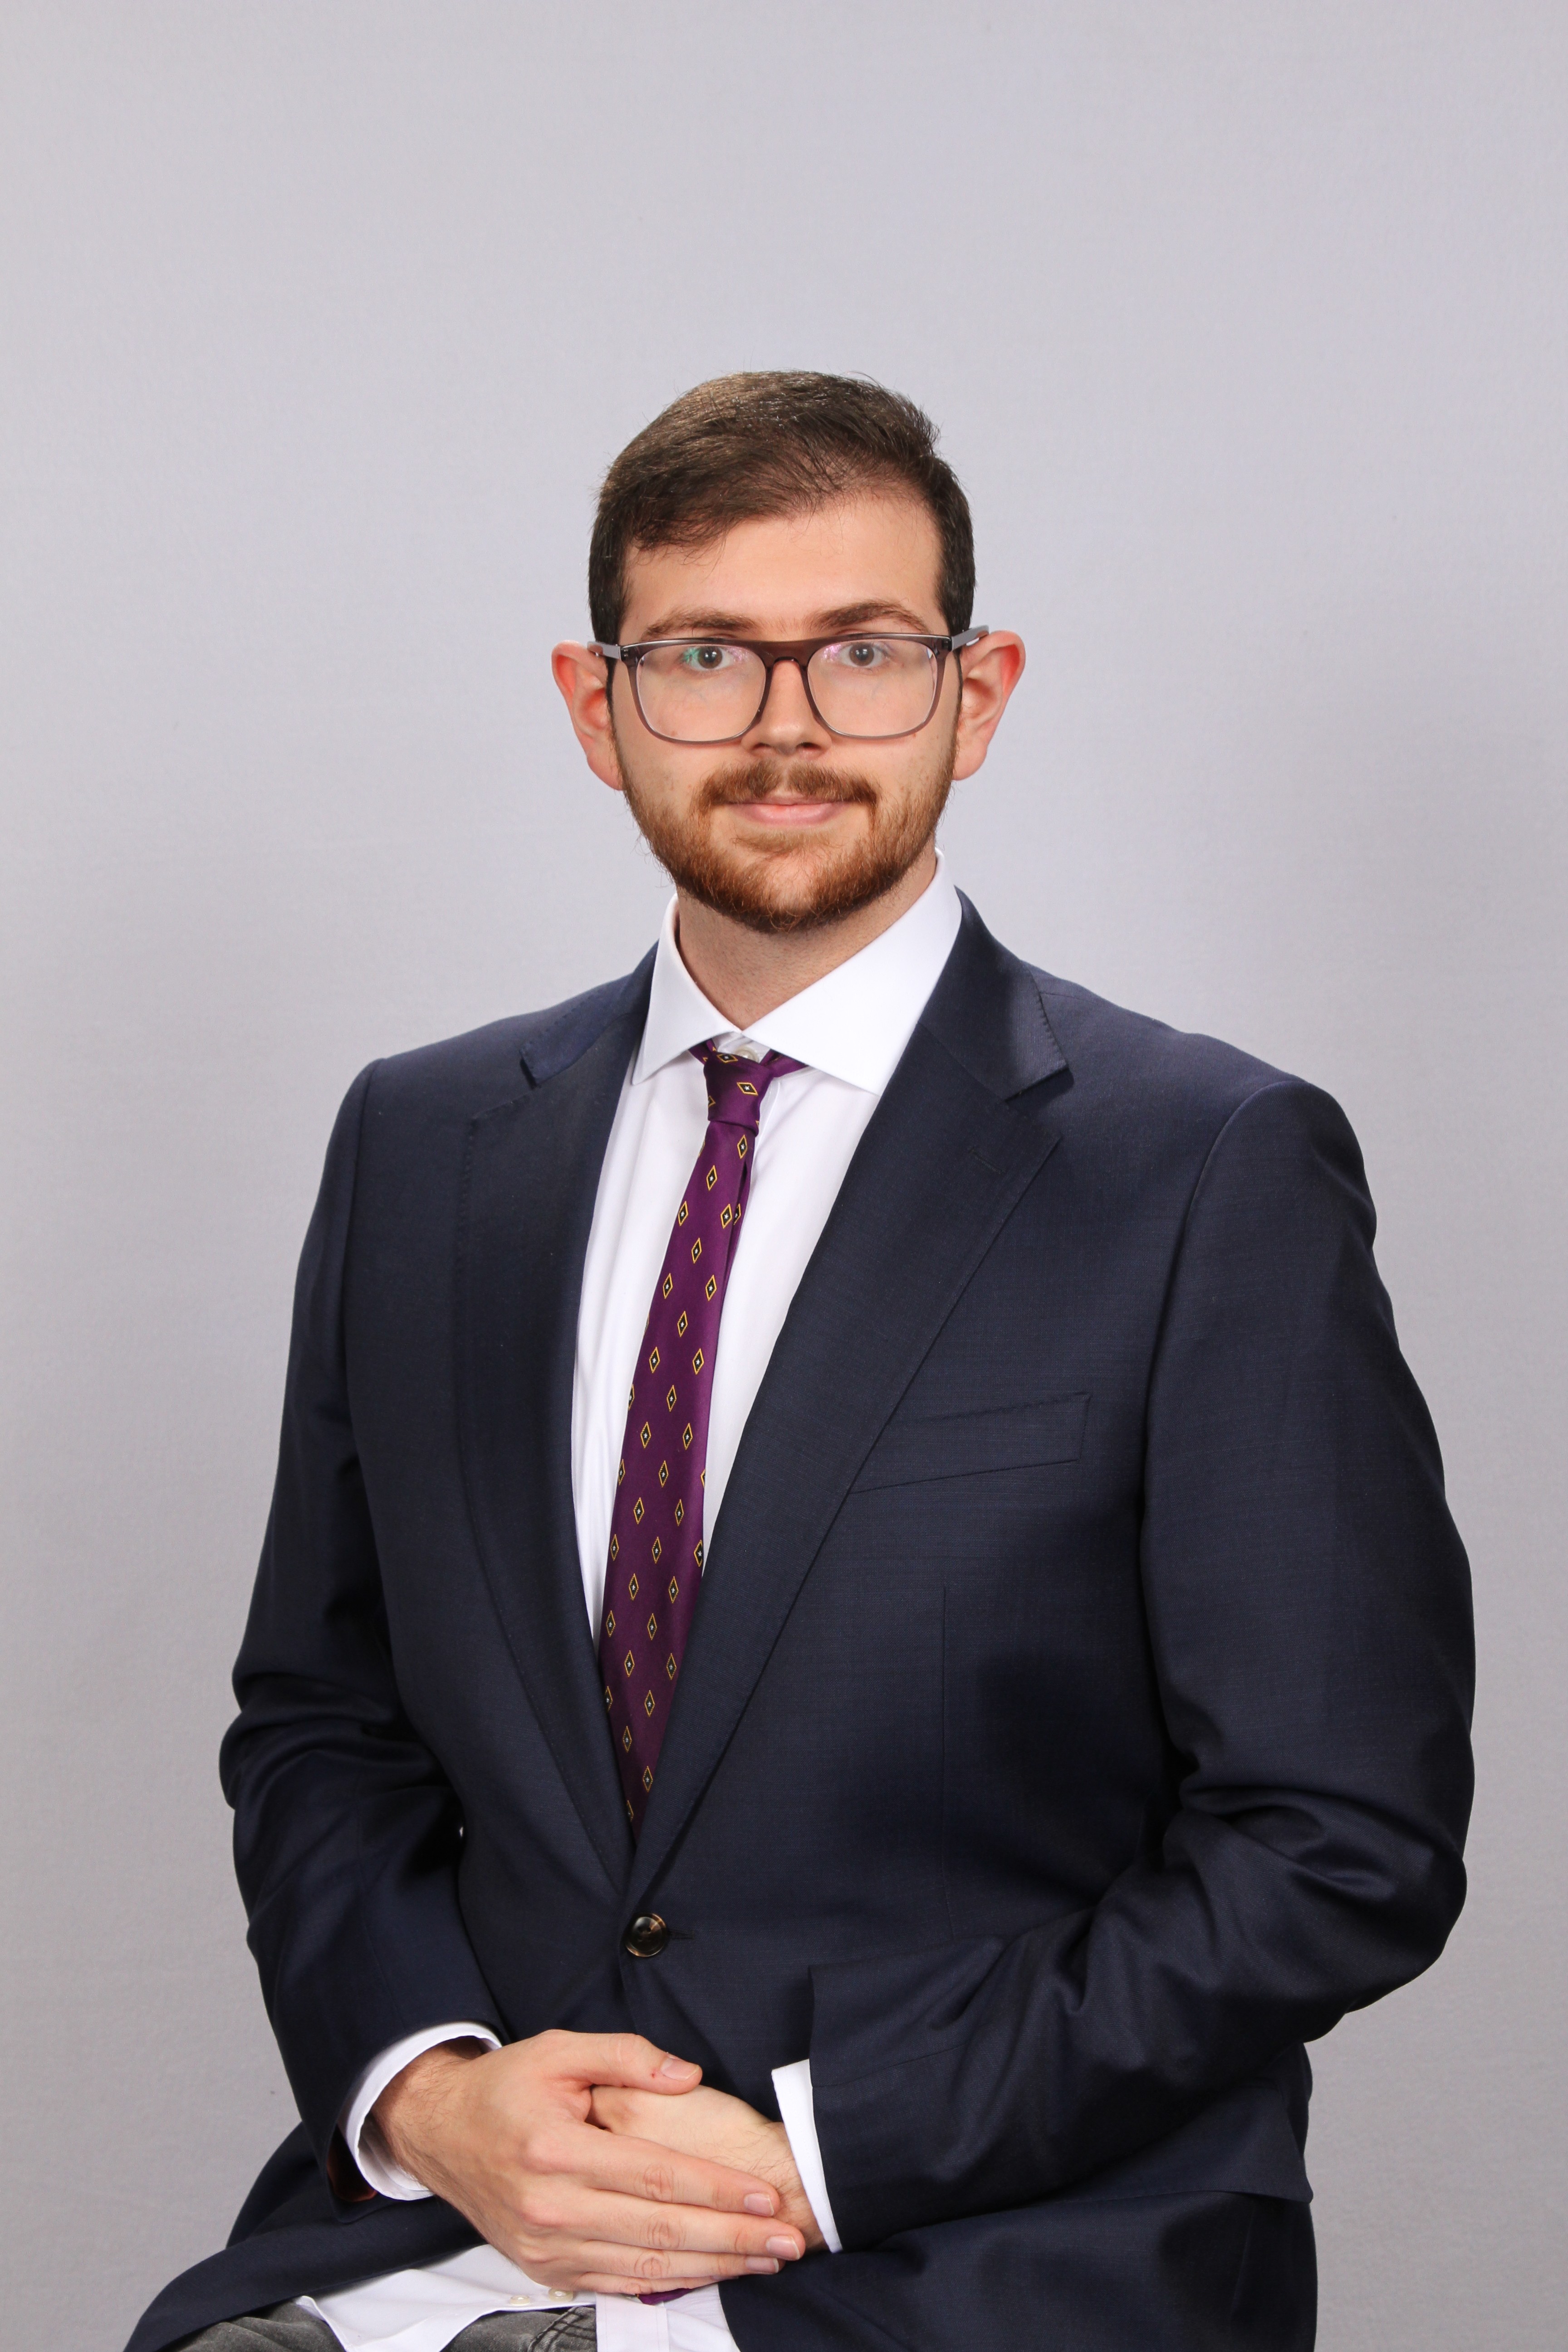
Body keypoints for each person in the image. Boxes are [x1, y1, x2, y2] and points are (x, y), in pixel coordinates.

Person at [128, 372, 1474, 2352]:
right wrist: (428, 2095)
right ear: (596, 708)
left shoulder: (1203, 1169)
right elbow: (324, 1724)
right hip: (463, 2241)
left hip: (976, 2253)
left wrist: (815, 2153)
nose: (786, 727)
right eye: (703, 656)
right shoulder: (424, 1148)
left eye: (864, 651)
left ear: (975, 695)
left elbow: (1338, 1840)